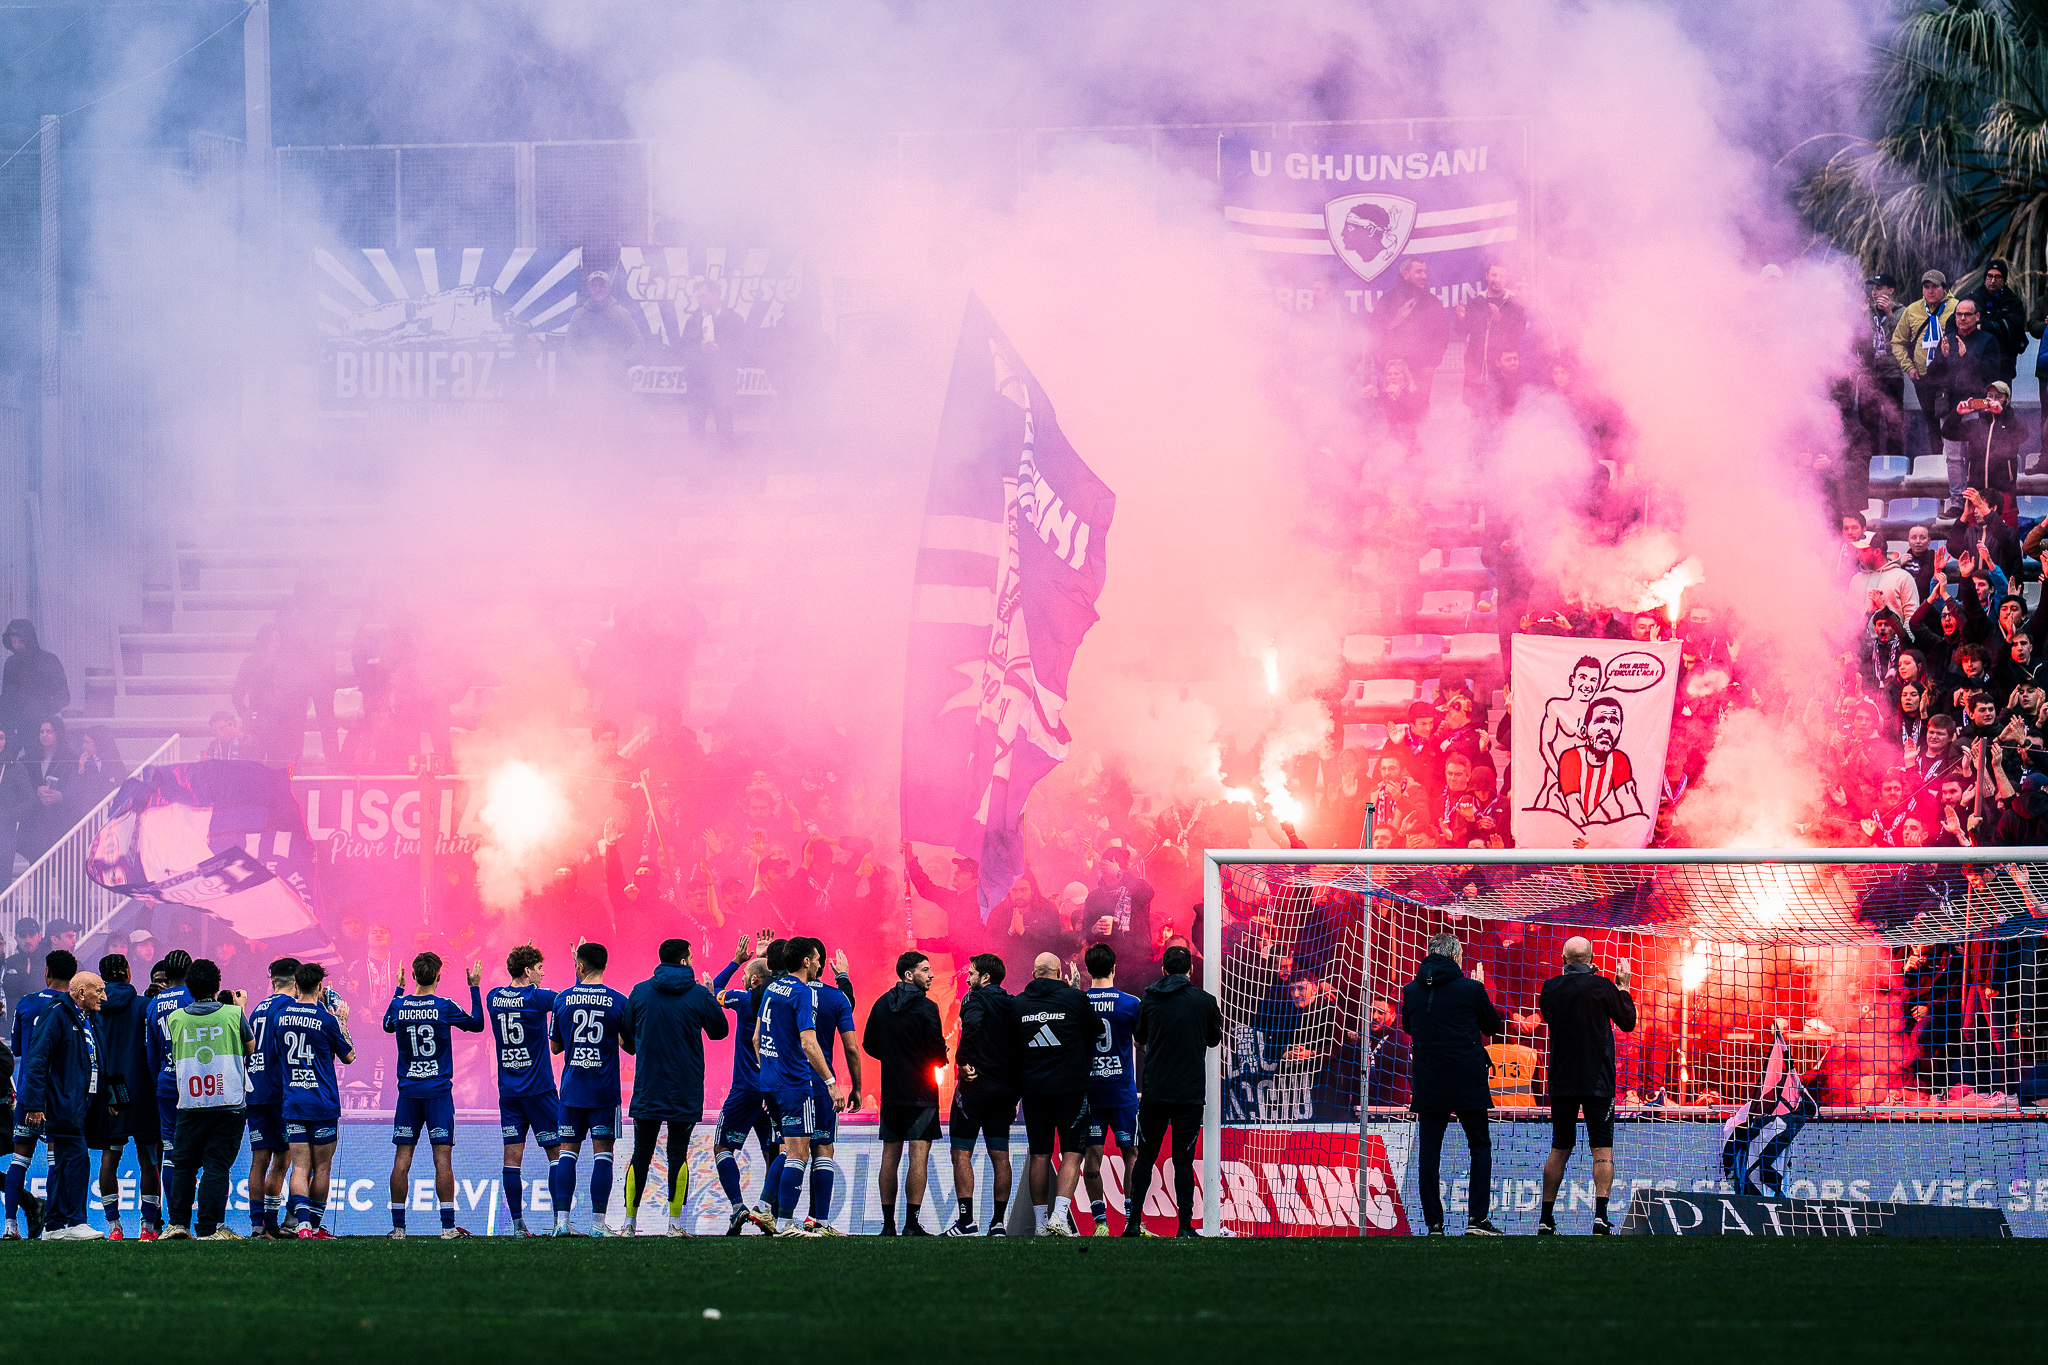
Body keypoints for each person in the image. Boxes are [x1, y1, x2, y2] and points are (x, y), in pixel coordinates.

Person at [621, 936, 730, 1236]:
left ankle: (629, 1224)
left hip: (647, 1087)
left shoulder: (641, 991)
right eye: (691, 958)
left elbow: (626, 1031)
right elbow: (720, 1032)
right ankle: (674, 1224)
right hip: (686, 1088)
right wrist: (711, 998)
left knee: (640, 1153)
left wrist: (640, 1046)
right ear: (684, 961)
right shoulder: (698, 994)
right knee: (678, 1154)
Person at [1401, 933, 1504, 1236]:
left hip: (1429, 1079)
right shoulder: (1471, 988)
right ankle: (1478, 1220)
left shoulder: (1410, 990)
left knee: (1430, 1150)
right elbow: (1493, 1026)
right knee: (1480, 1146)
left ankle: (1434, 1224)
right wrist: (1481, 990)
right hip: (1466, 1078)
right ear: (1457, 957)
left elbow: (1409, 1027)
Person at [1533, 937, 1637, 1236]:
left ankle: (1545, 1219)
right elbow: (1628, 1022)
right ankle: (1600, 1218)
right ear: (1592, 958)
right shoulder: (1604, 986)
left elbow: (1551, 1017)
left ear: (1564, 958)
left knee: (1559, 1148)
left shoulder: (1550, 988)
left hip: (1563, 1079)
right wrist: (1623, 987)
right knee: (1602, 1151)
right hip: (1597, 1080)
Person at [381, 952, 485, 1239]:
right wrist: (474, 986)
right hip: (438, 1093)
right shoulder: (444, 1006)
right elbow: (477, 1024)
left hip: (409, 1093)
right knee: (443, 1161)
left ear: (413, 975)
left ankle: (399, 1229)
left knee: (402, 1159)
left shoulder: (400, 1005)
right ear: (439, 976)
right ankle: (448, 1228)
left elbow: (387, 1025)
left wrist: (398, 989)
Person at [1122, 943, 1222, 1239]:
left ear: (1163, 969)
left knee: (1145, 1157)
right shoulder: (1205, 1001)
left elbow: (1140, 1037)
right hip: (1189, 1094)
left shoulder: (1149, 1000)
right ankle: (1184, 1226)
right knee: (1183, 1160)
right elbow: (1214, 1041)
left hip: (1155, 1091)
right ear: (1191, 970)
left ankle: (1133, 1224)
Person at [756, 936, 846, 1237]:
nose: (821, 963)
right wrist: (831, 1083)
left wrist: (768, 1079)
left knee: (787, 1150)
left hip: (770, 1082)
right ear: (806, 961)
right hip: (795, 1083)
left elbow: (757, 1039)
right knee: (798, 1153)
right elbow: (808, 1042)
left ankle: (767, 1210)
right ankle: (785, 1223)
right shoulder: (802, 992)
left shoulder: (772, 987)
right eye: (818, 958)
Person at [161, 959, 251, 1240]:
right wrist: (239, 1009)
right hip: (229, 1101)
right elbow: (250, 1048)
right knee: (216, 1166)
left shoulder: (176, 1018)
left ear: (189, 985)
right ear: (218, 985)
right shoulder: (233, 1015)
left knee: (184, 1165)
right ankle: (209, 1229)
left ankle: (177, 1224)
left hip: (191, 1100)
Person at [550, 940, 632, 1236]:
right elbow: (631, 1046)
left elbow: (556, 1047)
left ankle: (561, 1222)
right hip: (604, 1092)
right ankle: (598, 1225)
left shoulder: (561, 999)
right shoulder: (619, 1000)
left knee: (567, 1154)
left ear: (579, 966)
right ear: (604, 965)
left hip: (572, 1090)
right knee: (603, 1156)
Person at [862, 949, 946, 1236]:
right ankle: (911, 1223)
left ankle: (888, 1226)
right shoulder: (927, 1007)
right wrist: (937, 1058)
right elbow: (936, 1051)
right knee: (918, 1156)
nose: (932, 974)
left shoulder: (881, 1004)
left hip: (892, 1092)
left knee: (890, 1155)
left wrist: (893, 1056)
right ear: (910, 975)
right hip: (922, 1093)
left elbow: (869, 1044)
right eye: (925, 969)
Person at [18, 968, 106, 1239]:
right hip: (62, 1101)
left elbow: (98, 1061)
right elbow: (37, 1058)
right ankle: (77, 1221)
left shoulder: (90, 1019)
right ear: (80, 993)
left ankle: (55, 1225)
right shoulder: (56, 1013)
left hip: (82, 1102)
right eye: (99, 990)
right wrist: (34, 1105)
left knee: (65, 1163)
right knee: (78, 1158)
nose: (104, 996)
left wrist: (108, 1097)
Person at [1012, 950, 1095, 1237]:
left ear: (1034, 973)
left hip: (1033, 1091)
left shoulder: (1018, 1004)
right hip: (1071, 1089)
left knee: (1039, 1154)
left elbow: (1010, 1049)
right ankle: (1059, 1217)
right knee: (1072, 1151)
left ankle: (1039, 1223)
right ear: (1059, 973)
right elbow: (1095, 1032)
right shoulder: (1075, 998)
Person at [487, 943, 562, 1238]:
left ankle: (518, 1225)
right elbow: (569, 1001)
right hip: (540, 1090)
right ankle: (561, 1222)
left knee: (511, 1159)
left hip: (509, 1092)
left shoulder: (493, 997)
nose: (543, 974)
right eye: (540, 968)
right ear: (528, 971)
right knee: (557, 1154)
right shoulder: (538, 997)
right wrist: (577, 970)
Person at [708, 929, 779, 1235]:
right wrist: (763, 959)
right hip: (773, 1090)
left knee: (722, 1146)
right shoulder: (782, 1001)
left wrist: (738, 961)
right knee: (775, 1152)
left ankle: (738, 1207)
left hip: (746, 1091)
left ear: (752, 982)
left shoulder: (742, 998)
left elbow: (715, 989)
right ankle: (768, 1210)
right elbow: (769, 980)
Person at [277, 961, 354, 1239]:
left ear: (296, 985)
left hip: (294, 1102)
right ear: (320, 987)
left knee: (299, 1166)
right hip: (322, 1103)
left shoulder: (281, 1015)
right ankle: (316, 1226)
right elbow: (349, 1056)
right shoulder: (327, 1019)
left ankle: (303, 1225)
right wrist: (343, 1022)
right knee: (321, 1167)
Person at [949, 951, 1020, 1237]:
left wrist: (962, 1061)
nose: (967, 979)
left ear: (985, 977)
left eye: (971, 973)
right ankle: (998, 1223)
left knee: (961, 1153)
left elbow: (973, 1026)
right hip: (1005, 1090)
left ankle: (966, 1222)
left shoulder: (973, 999)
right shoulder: (1014, 1003)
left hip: (975, 1088)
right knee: (1000, 1155)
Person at [92, 952, 162, 1240]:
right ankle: (148, 1228)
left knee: (110, 1157)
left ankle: (114, 1227)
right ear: (128, 972)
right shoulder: (144, 1005)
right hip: (142, 1088)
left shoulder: (93, 1009)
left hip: (111, 1090)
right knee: (148, 1158)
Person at [3, 947, 71, 1238]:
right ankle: (53, 1227)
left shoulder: (26, 1002)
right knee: (56, 1159)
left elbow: (17, 1049)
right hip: (59, 1091)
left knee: (20, 1159)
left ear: (46, 972)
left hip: (29, 1088)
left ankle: (10, 1225)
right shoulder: (71, 1006)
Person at [1078, 942, 1142, 1236]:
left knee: (1092, 1155)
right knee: (1131, 1153)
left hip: (1089, 1091)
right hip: (1122, 1093)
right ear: (1114, 968)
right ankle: (1132, 1220)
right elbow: (1143, 1044)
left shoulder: (1077, 1002)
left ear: (1087, 970)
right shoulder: (1130, 1003)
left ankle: (1100, 1223)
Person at [797, 938, 859, 1236]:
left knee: (788, 1150)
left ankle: (777, 1219)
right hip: (821, 1083)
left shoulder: (778, 993)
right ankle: (817, 1220)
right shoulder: (835, 998)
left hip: (785, 1083)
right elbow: (851, 1048)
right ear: (814, 960)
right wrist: (856, 1086)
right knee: (822, 1147)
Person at [1929, 297, 2002, 516]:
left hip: (1976, 406)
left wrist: (1966, 356)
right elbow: (1931, 376)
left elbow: (1993, 374)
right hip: (1951, 408)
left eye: (1967, 314)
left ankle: (1978, 501)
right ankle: (1957, 502)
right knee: (1952, 456)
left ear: (1977, 317)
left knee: (1977, 455)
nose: (1961, 318)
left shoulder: (1987, 341)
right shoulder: (1947, 340)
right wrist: (1941, 358)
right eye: (1958, 314)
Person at [243, 956, 299, 1237]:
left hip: (255, 1093)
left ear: (272, 981)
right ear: (297, 981)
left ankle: (259, 1225)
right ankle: (281, 1221)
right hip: (281, 1093)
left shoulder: (257, 1009)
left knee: (259, 1160)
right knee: (288, 1159)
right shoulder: (291, 1008)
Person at [145, 949, 194, 1210]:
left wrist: (158, 1084)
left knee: (170, 1153)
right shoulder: (193, 998)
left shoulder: (154, 1004)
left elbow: (151, 1054)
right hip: (195, 1085)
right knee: (203, 1152)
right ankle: (207, 1219)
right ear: (189, 971)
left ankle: (175, 1216)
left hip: (166, 1082)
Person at [1890, 270, 1956, 460]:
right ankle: (1937, 461)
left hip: (1949, 376)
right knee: (1932, 421)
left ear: (1944, 288)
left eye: (1935, 287)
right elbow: (1897, 341)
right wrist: (1908, 367)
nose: (1930, 291)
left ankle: (1953, 461)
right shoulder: (1913, 310)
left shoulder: (1956, 307)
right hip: (1923, 376)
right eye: (1926, 287)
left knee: (1950, 419)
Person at [1371, 258, 1451, 406]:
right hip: (1392, 368)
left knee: (1419, 409)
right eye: (1419, 271)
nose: (1424, 276)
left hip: (1422, 368)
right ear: (1406, 274)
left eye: (1425, 272)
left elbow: (1442, 336)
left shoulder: (1432, 302)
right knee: (1389, 408)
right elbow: (1375, 332)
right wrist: (1384, 362)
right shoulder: (1387, 301)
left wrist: (1432, 363)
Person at [680, 278, 741, 446]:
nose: (700, 300)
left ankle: (728, 465)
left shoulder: (733, 319)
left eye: (704, 296)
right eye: (698, 297)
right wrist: (698, 349)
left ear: (716, 295)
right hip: (698, 384)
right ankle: (696, 465)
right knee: (696, 427)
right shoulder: (692, 322)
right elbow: (683, 350)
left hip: (722, 382)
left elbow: (740, 348)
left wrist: (719, 349)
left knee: (725, 426)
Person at [1083, 846, 1154, 992]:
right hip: (1107, 964)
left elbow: (1147, 893)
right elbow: (1085, 933)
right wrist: (1093, 929)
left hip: (1138, 961)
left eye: (1109, 869)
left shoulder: (1134, 890)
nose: (1105, 874)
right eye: (1103, 869)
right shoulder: (1094, 897)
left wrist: (1119, 873)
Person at [0, 620, 69, 760]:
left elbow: (64, 696)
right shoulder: (11, 664)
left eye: (20, 642)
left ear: (29, 640)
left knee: (35, 764)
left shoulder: (49, 661)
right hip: (14, 728)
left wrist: (42, 712)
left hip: (40, 727)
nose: (17, 646)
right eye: (13, 642)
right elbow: (6, 697)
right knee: (7, 764)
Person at [564, 268, 640, 386]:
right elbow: (568, 346)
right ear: (589, 289)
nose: (598, 289)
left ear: (608, 288)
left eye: (602, 285)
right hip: (586, 381)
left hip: (616, 381)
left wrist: (623, 363)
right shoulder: (579, 314)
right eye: (594, 285)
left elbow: (639, 342)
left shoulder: (621, 313)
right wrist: (580, 366)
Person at [1963, 258, 2028, 386]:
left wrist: (1984, 326)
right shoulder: (1972, 299)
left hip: (2003, 366)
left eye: (1998, 277)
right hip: (1976, 365)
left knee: (1999, 404)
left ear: (2004, 280)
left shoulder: (2013, 302)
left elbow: (2012, 328)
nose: (1993, 280)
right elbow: (1956, 323)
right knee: (1975, 404)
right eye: (1990, 276)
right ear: (1985, 277)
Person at [0, 917, 43, 1025]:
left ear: (39, 936)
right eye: (23, 936)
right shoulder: (7, 964)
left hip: (42, 1031)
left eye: (32, 935)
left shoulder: (50, 964)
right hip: (11, 1031)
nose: (28, 940)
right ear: (16, 938)